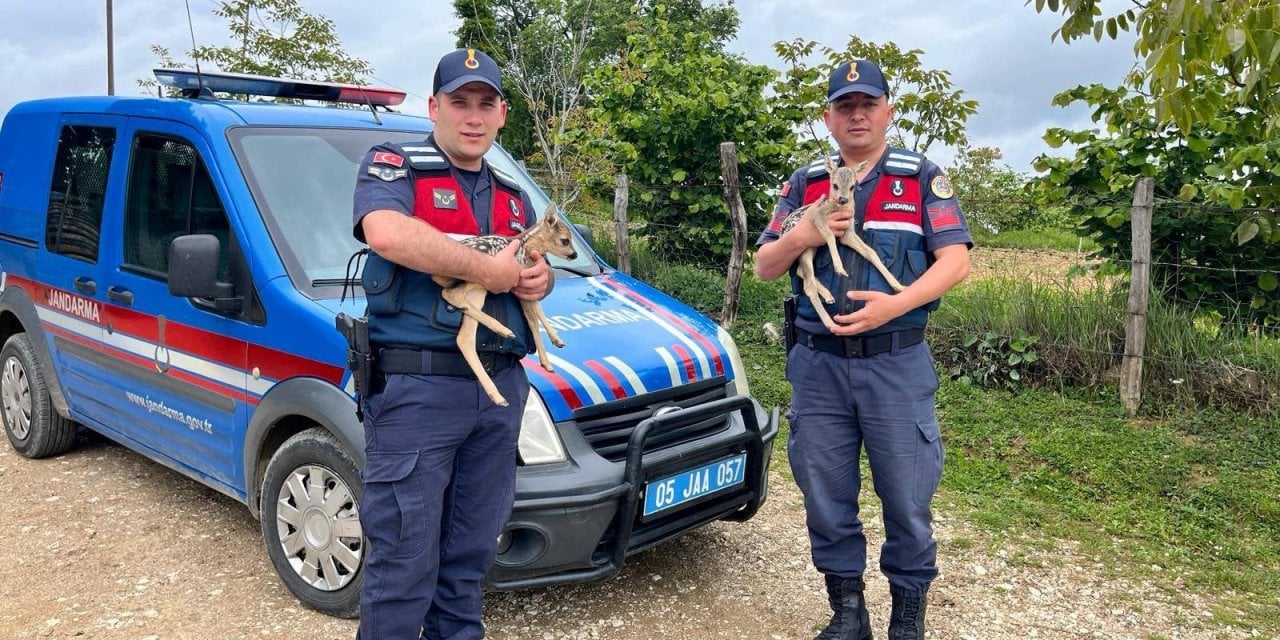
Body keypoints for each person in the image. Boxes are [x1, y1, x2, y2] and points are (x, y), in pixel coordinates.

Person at [754, 59, 972, 640]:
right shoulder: (804, 183)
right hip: (819, 366)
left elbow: (956, 260)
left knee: (906, 498)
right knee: (825, 495)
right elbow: (765, 266)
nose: (857, 115)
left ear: (887, 112)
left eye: (867, 104)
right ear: (828, 118)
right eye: (845, 106)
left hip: (895, 364)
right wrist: (802, 231)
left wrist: (894, 305)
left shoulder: (920, 176)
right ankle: (848, 614)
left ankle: (908, 617)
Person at [351, 47, 553, 640]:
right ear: (434, 107)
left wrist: (539, 278)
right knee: (403, 564)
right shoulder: (394, 163)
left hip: (497, 391)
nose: (472, 116)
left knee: (467, 561)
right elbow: (386, 233)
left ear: (502, 114)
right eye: (459, 102)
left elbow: (529, 268)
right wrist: (488, 271)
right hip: (419, 390)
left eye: (484, 104)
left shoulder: (512, 193)